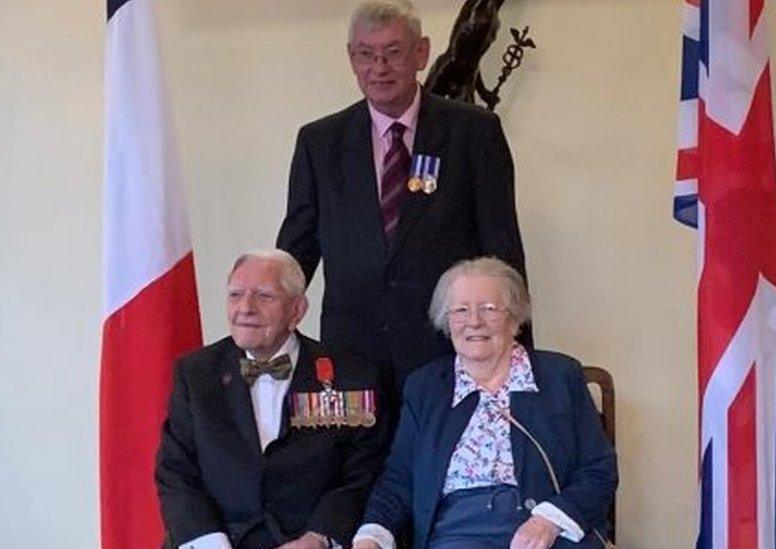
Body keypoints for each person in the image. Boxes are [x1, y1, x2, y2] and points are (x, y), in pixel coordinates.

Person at [276, 0, 528, 404]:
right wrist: (268, 330)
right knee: (361, 469)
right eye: (366, 54)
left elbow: (502, 250)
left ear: (421, 53)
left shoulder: (473, 134)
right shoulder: (319, 143)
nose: (379, 67)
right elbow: (296, 251)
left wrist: (517, 356)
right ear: (351, 59)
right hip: (351, 357)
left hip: (449, 351)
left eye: (393, 52)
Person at [353, 258, 617, 549]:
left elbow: (598, 468)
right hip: (458, 532)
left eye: (489, 309)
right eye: (461, 310)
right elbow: (400, 478)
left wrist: (549, 520)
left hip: (549, 529)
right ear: (446, 320)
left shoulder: (559, 377)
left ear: (514, 319)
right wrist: (371, 536)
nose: (474, 322)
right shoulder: (426, 387)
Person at [156, 249, 390, 549]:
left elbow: (362, 471)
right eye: (235, 294)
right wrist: (210, 543)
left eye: (264, 296)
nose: (245, 307)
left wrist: (319, 537)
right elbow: (176, 471)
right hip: (216, 540)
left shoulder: (351, 375)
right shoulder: (196, 373)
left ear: (297, 310)